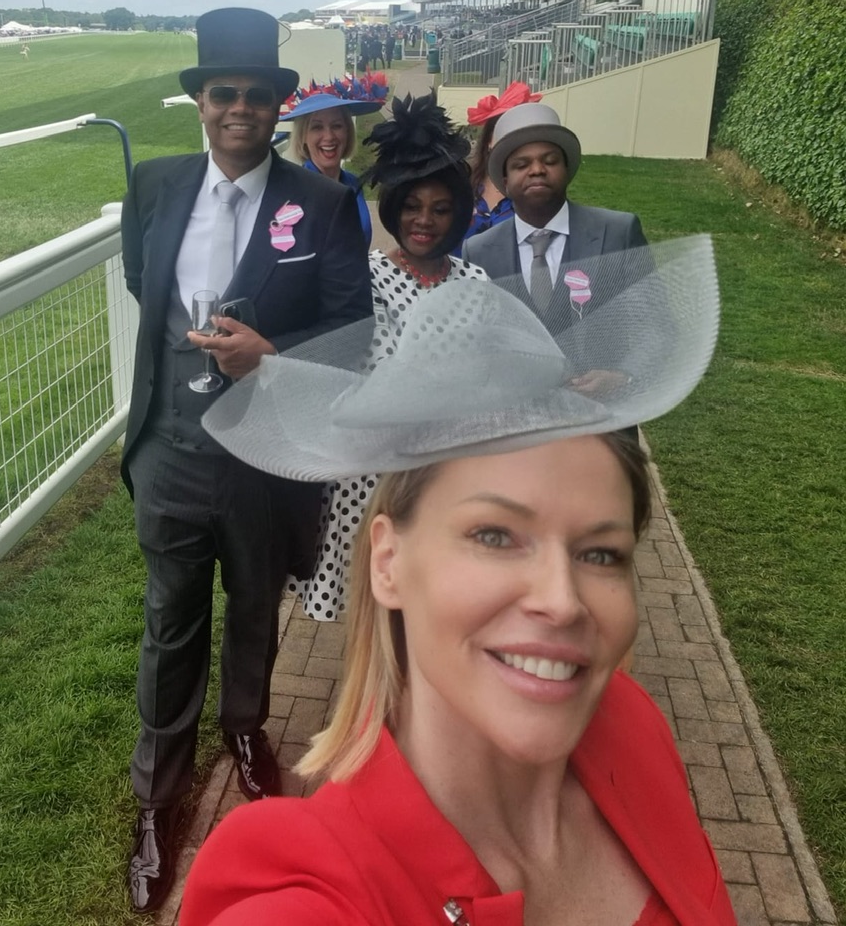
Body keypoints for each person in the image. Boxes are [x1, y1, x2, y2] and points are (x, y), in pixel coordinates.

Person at [180, 238, 735, 925]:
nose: (562, 601)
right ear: (387, 562)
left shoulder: (632, 728)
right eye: (495, 536)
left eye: (601, 553)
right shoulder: (312, 889)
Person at [119, 7, 372, 913]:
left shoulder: (326, 203)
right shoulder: (152, 187)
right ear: (200, 102)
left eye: (256, 97)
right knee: (170, 620)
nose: (239, 109)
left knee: (255, 608)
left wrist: (272, 353)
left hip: (265, 452)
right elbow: (140, 284)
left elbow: (353, 328)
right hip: (170, 453)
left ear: (278, 107)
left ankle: (246, 732)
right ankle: (159, 794)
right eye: (222, 93)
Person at [291, 93, 488, 621]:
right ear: (395, 210)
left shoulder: (476, 282)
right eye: (413, 207)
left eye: (441, 209)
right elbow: (369, 369)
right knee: (373, 616)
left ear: (460, 215)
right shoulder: (365, 277)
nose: (426, 220)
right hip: (373, 480)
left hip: (450, 477)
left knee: (438, 610)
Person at [464, 104, 647, 395]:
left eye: (549, 161)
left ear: (567, 169)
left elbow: (653, 325)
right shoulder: (479, 251)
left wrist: (624, 378)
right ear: (505, 182)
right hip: (520, 423)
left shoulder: (618, 233)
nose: (537, 170)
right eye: (521, 165)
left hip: (602, 420)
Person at [279, 73, 388, 243]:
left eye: (337, 126)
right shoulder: (293, 193)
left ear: (347, 132)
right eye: (317, 127)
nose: (329, 136)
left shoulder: (352, 183)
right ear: (303, 137)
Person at [465, 82, 542, 240]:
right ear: (489, 140)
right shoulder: (464, 181)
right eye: (504, 133)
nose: (512, 141)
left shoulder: (537, 185)